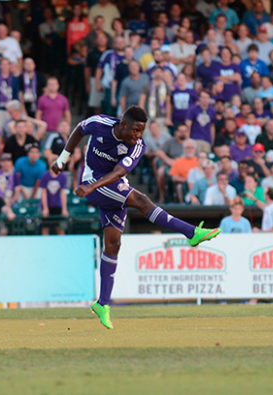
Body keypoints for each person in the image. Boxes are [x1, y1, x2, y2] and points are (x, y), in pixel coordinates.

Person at [51, 106, 221, 329]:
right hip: (93, 178)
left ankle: (102, 304)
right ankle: (191, 232)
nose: (137, 136)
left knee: (113, 244)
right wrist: (64, 158)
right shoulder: (100, 124)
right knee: (141, 201)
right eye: (135, 130)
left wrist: (92, 187)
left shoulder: (138, 146)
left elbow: (119, 172)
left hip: (106, 184)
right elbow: (79, 130)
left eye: (141, 131)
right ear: (123, 124)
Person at [40, 159, 69, 236]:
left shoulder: (62, 176)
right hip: (48, 204)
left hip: (57, 205)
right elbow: (43, 192)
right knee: (45, 227)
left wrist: (64, 208)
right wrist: (45, 208)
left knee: (60, 228)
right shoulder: (45, 176)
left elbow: (63, 193)